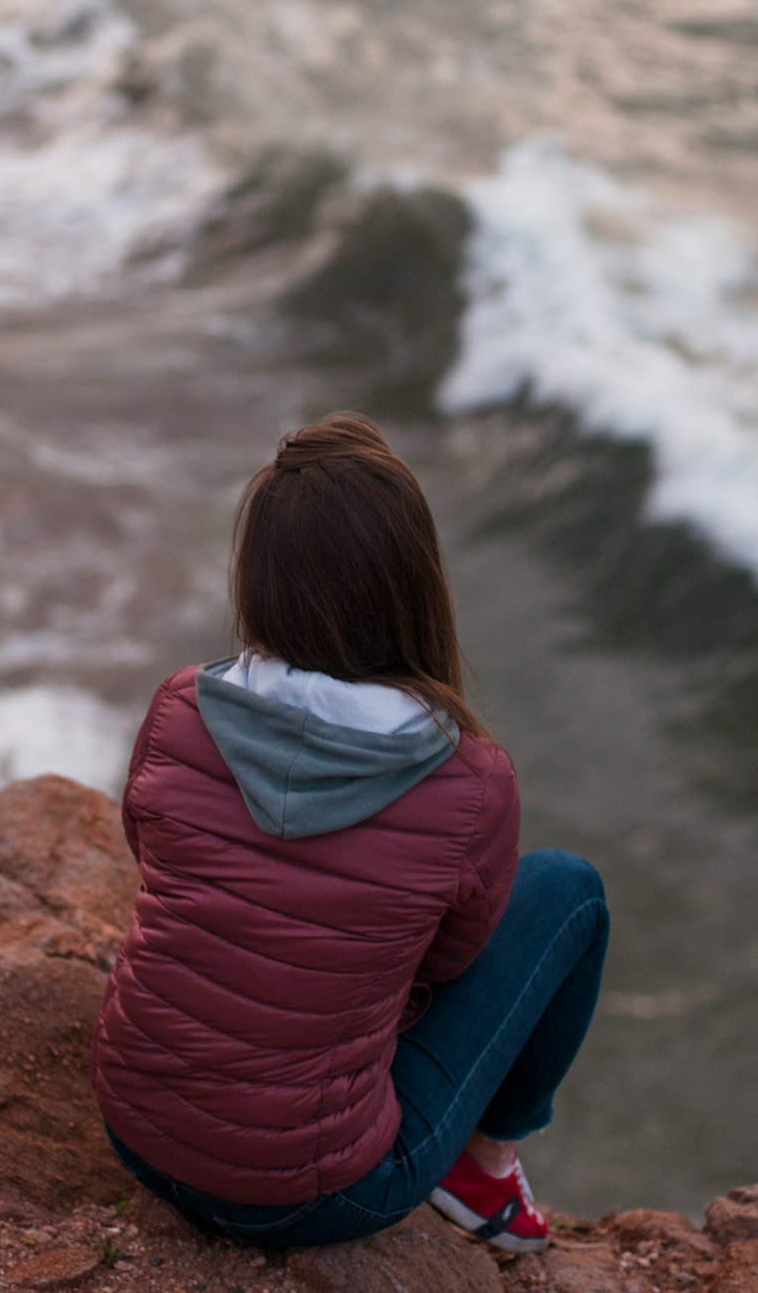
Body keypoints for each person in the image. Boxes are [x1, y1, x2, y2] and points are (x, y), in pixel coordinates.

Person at [90, 413, 609, 1252]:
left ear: (259, 578)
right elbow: (448, 963)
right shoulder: (471, 781)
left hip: (136, 1129)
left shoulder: (182, 705)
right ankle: (483, 1169)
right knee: (570, 891)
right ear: (412, 585)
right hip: (310, 1195)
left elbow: (152, 855)